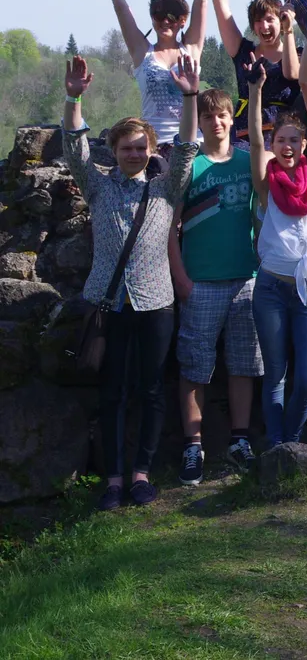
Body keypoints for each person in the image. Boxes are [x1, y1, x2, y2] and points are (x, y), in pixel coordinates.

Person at [63, 50, 202, 511]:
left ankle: (142, 473)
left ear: (151, 150)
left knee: (151, 390)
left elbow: (187, 148)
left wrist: (190, 97)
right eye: (127, 148)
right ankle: (114, 479)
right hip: (108, 305)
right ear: (114, 150)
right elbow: (73, 148)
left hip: (156, 303)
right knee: (113, 394)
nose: (135, 154)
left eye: (142, 148)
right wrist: (73, 99)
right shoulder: (98, 186)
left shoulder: (165, 188)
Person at [249, 4, 307, 448]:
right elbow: (255, 141)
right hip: (271, 288)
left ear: (303, 146)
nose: (287, 146)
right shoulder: (267, 183)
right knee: (276, 374)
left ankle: (293, 443)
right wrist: (255, 91)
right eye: (281, 140)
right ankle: (277, 449)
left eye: (294, 141)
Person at [172, 87, 264, 487]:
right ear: (200, 122)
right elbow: (169, 228)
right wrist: (182, 280)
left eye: (222, 115)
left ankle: (239, 440)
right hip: (201, 282)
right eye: (208, 116)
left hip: (246, 279)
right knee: (195, 367)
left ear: (232, 118)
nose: (216, 122)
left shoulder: (248, 161)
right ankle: (193, 446)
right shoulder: (188, 166)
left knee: (244, 364)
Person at [76, 0, 225, 144]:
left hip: (192, 143)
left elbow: (201, 0)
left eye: (172, 16)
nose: (165, 21)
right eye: (158, 15)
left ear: (183, 21)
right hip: (153, 145)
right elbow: (120, 4)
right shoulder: (142, 52)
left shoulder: (191, 49)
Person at [210, 0, 302, 143]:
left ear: (281, 21)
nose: (264, 26)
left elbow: (292, 74)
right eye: (258, 21)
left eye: (270, 19)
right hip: (245, 135)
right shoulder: (242, 50)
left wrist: (289, 29)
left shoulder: (297, 53)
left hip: (282, 137)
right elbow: (221, 8)